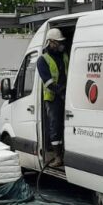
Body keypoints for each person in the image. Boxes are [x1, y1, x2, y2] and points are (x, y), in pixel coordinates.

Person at [36, 28, 69, 167]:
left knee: (67, 124)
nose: (61, 45)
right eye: (58, 42)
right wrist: (61, 91)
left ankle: (66, 154)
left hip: (67, 95)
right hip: (53, 97)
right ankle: (57, 156)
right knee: (55, 126)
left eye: (61, 42)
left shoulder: (64, 56)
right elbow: (48, 82)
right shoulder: (42, 60)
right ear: (51, 42)